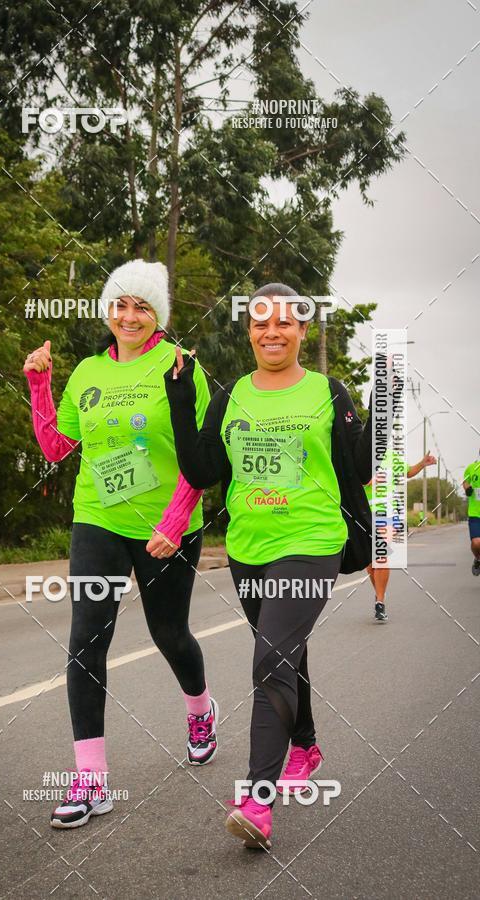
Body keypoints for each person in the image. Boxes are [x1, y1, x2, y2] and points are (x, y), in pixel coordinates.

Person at [164, 282, 374, 850]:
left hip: (311, 541)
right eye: (261, 323)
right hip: (248, 547)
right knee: (285, 653)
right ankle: (303, 744)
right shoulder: (232, 394)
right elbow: (204, 469)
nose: (272, 332)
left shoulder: (330, 391)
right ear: (249, 331)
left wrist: (378, 413)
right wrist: (182, 402)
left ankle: (257, 800)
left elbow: (362, 466)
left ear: (303, 330)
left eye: (285, 322)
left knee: (270, 658)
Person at [24, 259, 218, 830]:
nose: (129, 316)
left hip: (165, 527)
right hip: (98, 519)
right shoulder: (87, 372)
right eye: (120, 304)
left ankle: (200, 709)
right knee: (87, 638)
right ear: (108, 310)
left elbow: (200, 453)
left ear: (157, 313)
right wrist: (39, 382)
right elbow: (58, 447)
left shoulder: (181, 366)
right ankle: (91, 780)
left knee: (170, 634)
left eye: (141, 305)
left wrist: (178, 519)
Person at [365, 451, 436, 621]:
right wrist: (364, 482)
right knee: (369, 564)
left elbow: (407, 472)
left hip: (389, 513)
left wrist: (422, 463)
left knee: (380, 555)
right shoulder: (361, 454)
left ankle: (380, 602)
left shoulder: (393, 455)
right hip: (366, 512)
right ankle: (379, 595)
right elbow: (349, 479)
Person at [463, 452, 480, 575]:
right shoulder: (471, 468)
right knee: (476, 542)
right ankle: (478, 558)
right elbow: (465, 481)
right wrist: (467, 487)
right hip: (475, 513)